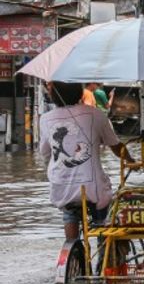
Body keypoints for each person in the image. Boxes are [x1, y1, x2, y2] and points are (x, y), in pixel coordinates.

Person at [39, 82, 138, 240]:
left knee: (69, 215)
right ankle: (104, 250)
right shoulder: (96, 114)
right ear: (80, 93)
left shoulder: (45, 119)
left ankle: (71, 248)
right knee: (104, 219)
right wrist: (130, 160)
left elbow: (45, 153)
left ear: (53, 95)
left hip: (61, 186)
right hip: (93, 188)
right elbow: (115, 145)